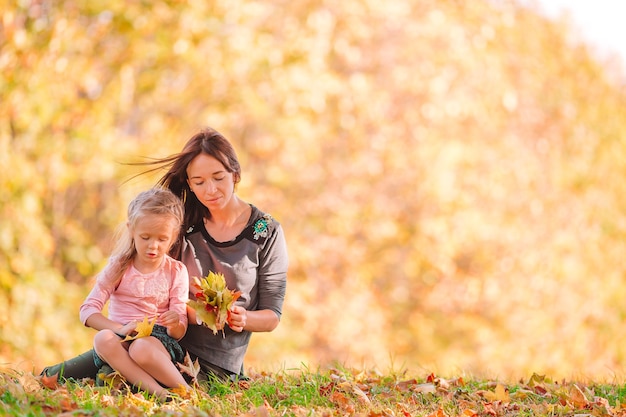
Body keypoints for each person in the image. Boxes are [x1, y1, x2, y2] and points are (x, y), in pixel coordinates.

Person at [41, 127, 288, 383]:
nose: (210, 190)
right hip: (158, 341)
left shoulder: (266, 232)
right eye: (199, 182)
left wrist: (242, 317)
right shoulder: (184, 224)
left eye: (218, 178)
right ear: (189, 184)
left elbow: (272, 316)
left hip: (214, 362)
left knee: (109, 380)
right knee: (58, 376)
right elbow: (146, 267)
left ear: (235, 174)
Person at [79, 187, 191, 398]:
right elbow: (87, 311)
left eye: (162, 239)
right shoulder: (119, 266)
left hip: (156, 340)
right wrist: (120, 329)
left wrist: (176, 322)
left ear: (174, 237)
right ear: (131, 230)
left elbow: (179, 331)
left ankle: (186, 390)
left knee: (139, 348)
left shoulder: (176, 271)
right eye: (145, 237)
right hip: (121, 337)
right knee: (102, 339)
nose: (153, 246)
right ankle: (159, 393)